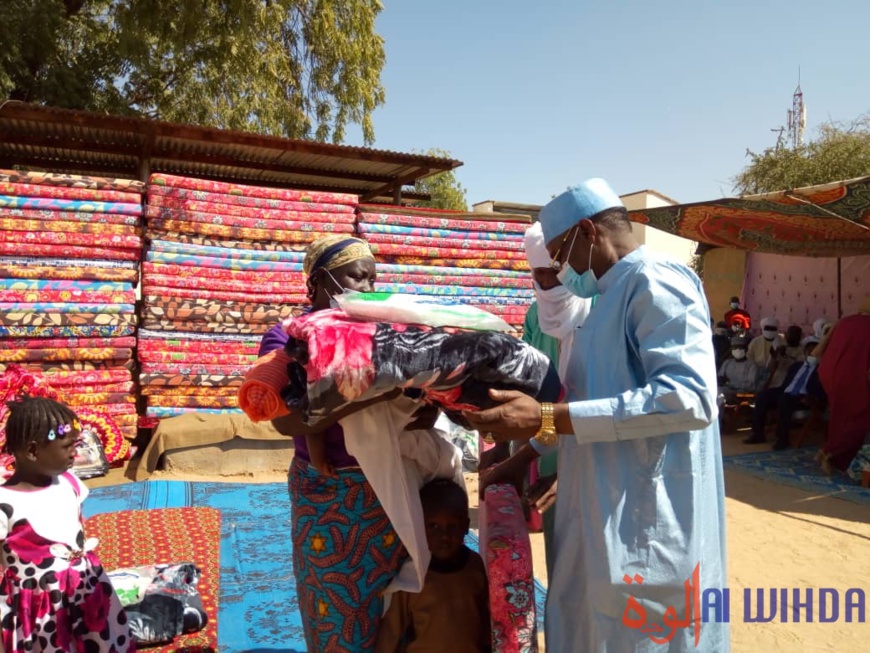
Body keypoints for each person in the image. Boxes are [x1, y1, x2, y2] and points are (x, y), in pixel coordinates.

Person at [470, 179, 728, 651]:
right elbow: (584, 406)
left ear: (587, 232)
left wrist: (546, 415)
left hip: (648, 515)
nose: (560, 272)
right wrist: (529, 453)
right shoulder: (604, 302)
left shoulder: (656, 280)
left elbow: (688, 398)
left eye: (559, 257)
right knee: (589, 625)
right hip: (598, 507)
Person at [263, 234, 457, 652]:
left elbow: (428, 387)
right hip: (328, 492)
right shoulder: (287, 338)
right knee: (332, 609)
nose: (367, 288)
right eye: (356, 277)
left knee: (397, 604)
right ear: (317, 281)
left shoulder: (386, 332)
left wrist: (423, 404)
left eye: (372, 278)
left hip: (391, 485)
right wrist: (375, 392)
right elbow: (285, 421)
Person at [0, 396, 134, 652]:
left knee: (97, 641)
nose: (75, 452)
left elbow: (76, 527)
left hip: (86, 587)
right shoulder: (5, 504)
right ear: (32, 451)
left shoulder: (70, 483)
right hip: (39, 607)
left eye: (76, 444)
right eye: (67, 446)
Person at [375, 478, 490, 653]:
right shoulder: (412, 576)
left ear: (466, 526)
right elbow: (392, 630)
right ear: (420, 527)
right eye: (433, 526)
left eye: (452, 526)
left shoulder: (475, 566)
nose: (444, 536)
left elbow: (486, 615)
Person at [815, 299, 870, 472]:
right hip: (853, 377)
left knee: (839, 416)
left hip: (830, 373)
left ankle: (831, 453)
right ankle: (830, 453)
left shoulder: (844, 322)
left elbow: (821, 349)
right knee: (860, 418)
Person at [718, 336, 758, 403]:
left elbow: (751, 385)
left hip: (743, 393)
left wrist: (733, 385)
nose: (738, 350)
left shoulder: (751, 365)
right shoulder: (727, 363)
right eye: (735, 348)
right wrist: (721, 380)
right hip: (727, 390)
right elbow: (720, 377)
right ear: (731, 349)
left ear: (745, 349)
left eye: (740, 348)